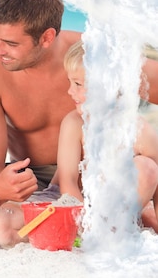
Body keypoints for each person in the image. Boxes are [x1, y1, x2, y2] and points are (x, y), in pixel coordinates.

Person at [0, 0, 158, 241]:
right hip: (39, 178)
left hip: (99, 170)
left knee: (144, 169)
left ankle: (103, 218)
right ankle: (113, 219)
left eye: (11, 43)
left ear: (46, 37)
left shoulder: (89, 57)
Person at [56, 41, 158, 232]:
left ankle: (117, 228)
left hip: (120, 209)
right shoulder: (74, 124)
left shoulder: (140, 131)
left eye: (78, 84)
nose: (70, 91)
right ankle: (104, 229)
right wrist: (83, 223)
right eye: (70, 82)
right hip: (77, 204)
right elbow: (68, 182)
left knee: (147, 168)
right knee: (1, 225)